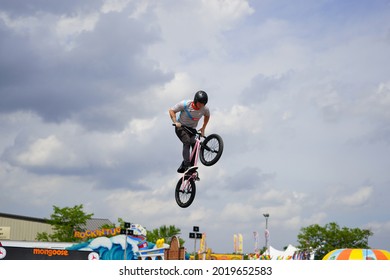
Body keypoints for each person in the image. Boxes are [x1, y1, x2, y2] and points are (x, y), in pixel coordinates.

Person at [169, 90, 210, 173]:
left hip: (192, 129)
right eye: (200, 103)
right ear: (195, 100)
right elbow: (171, 110)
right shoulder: (185, 104)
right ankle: (186, 164)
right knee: (187, 141)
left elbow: (207, 116)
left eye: (203, 104)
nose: (201, 106)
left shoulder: (204, 109)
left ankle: (191, 168)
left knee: (196, 144)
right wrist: (175, 122)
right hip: (181, 127)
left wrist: (203, 128)